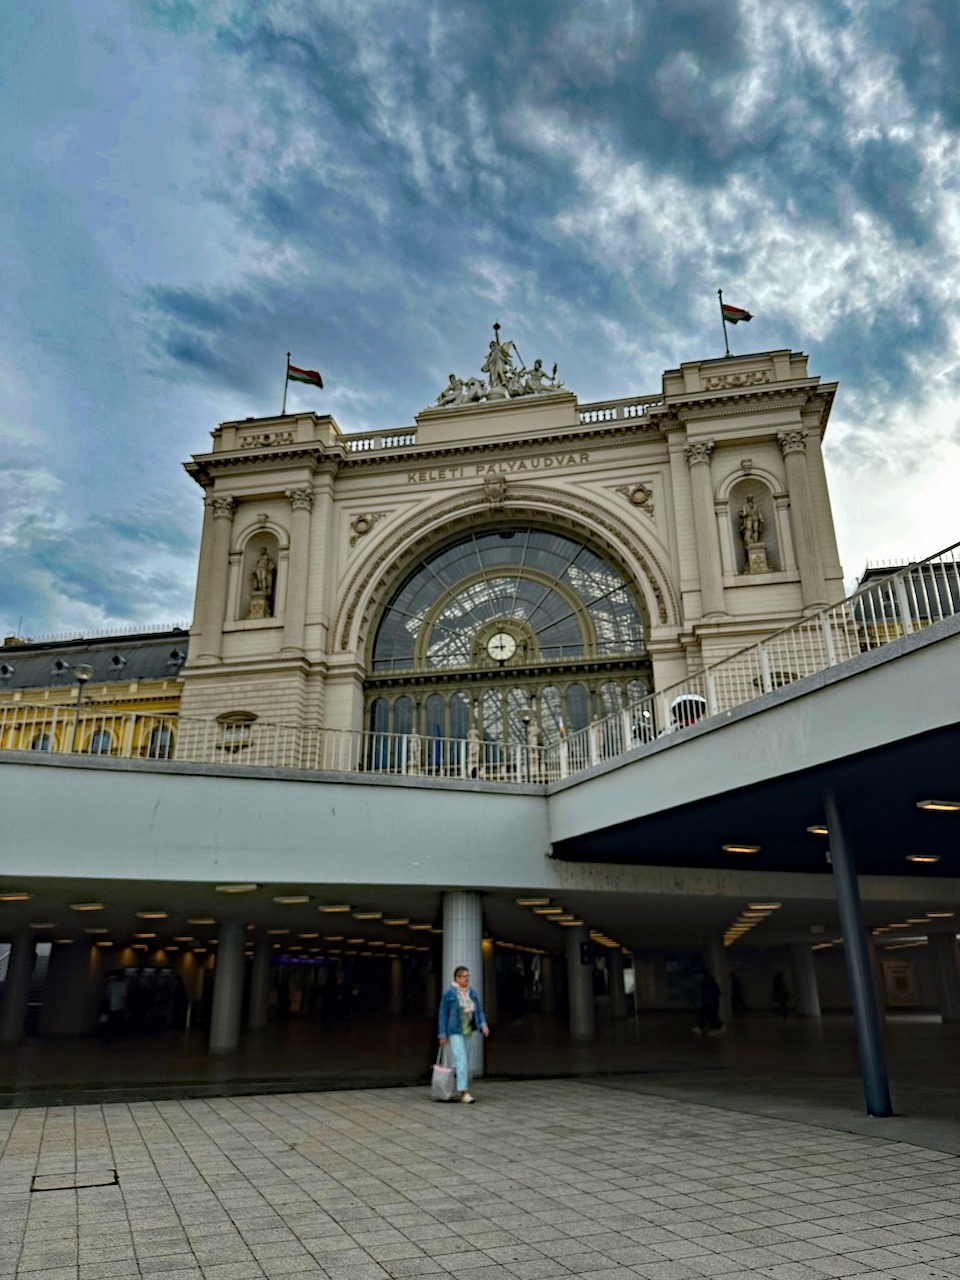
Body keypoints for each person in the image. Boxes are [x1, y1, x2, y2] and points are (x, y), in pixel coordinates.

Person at [437, 965, 489, 1103]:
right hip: (454, 1031)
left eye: (468, 976)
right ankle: (464, 1092)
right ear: (457, 978)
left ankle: (460, 1089)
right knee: (461, 1060)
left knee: (465, 1060)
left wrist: (483, 1024)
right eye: (465, 976)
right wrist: (442, 1034)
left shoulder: (472, 993)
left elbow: (478, 1010)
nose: (467, 979)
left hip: (468, 1031)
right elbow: (443, 1014)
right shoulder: (450, 994)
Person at [694, 969, 723, 1035]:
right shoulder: (709, 984)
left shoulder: (707, 985)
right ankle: (703, 1028)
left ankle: (716, 1028)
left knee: (711, 1016)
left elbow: (709, 994)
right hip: (710, 1003)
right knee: (710, 1016)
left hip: (710, 1003)